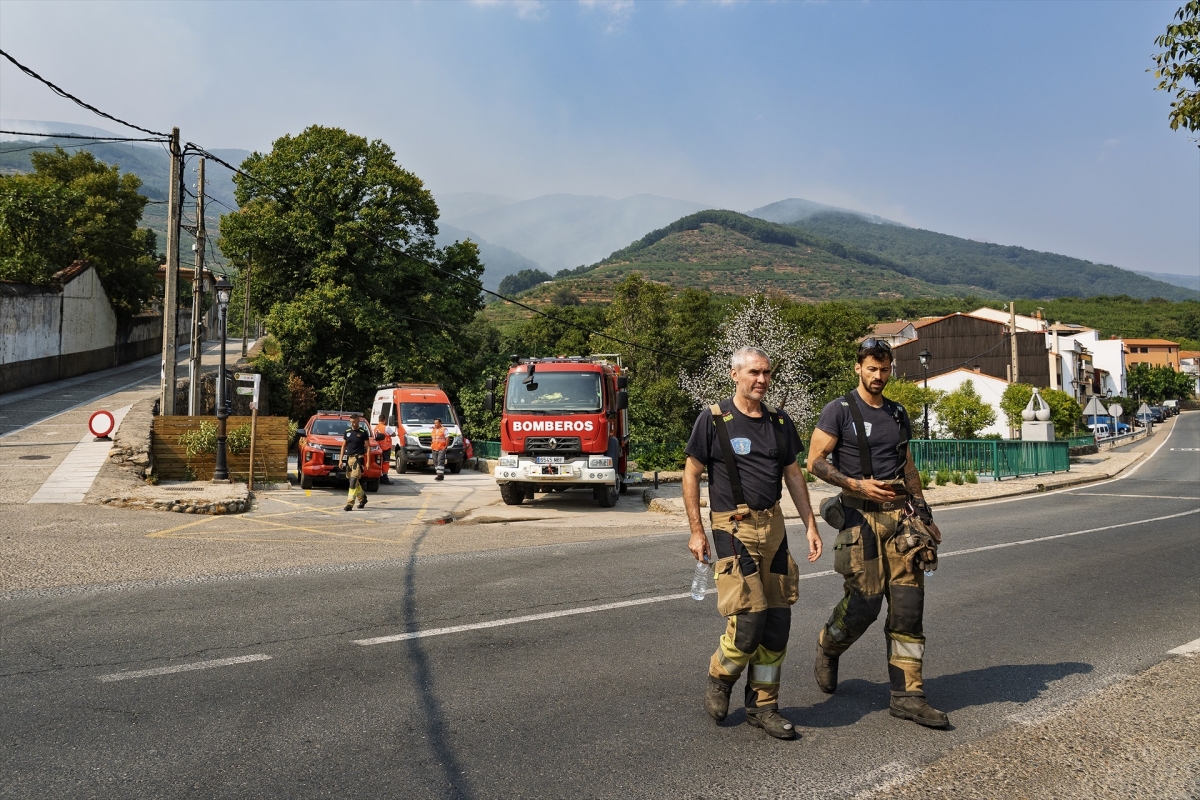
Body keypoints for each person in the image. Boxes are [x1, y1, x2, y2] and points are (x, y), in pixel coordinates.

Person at [806, 338, 949, 728]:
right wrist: (856, 485)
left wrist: (924, 512)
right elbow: (814, 462)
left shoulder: (898, 413)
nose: (878, 376)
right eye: (872, 368)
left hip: (902, 523)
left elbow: (907, 466)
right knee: (864, 606)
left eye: (884, 369)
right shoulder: (838, 411)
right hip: (860, 521)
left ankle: (908, 696)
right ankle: (828, 644)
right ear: (858, 368)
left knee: (908, 608)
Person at [683, 346, 823, 740]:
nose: (761, 379)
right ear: (735, 375)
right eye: (753, 373)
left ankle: (763, 705)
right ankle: (720, 676)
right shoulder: (713, 420)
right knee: (748, 622)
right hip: (732, 527)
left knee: (778, 624)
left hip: (773, 526)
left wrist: (810, 525)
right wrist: (696, 530)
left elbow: (794, 477)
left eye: (766, 372)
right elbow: (691, 474)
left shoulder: (780, 421)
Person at [339, 413, 371, 511]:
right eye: (351, 422)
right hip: (349, 459)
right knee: (353, 481)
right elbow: (343, 446)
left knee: (353, 481)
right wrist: (341, 459)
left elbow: (368, 447)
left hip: (358, 459)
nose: (353, 424)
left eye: (355, 421)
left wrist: (368, 462)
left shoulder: (363, 432)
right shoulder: (347, 432)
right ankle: (363, 498)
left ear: (358, 420)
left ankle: (349, 504)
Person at [375, 411, 399, 484]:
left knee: (379, 462)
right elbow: (393, 434)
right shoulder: (386, 427)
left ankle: (379, 476)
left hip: (378, 448)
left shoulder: (376, 427)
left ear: (379, 420)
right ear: (385, 420)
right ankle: (385, 477)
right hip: (386, 448)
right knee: (385, 463)